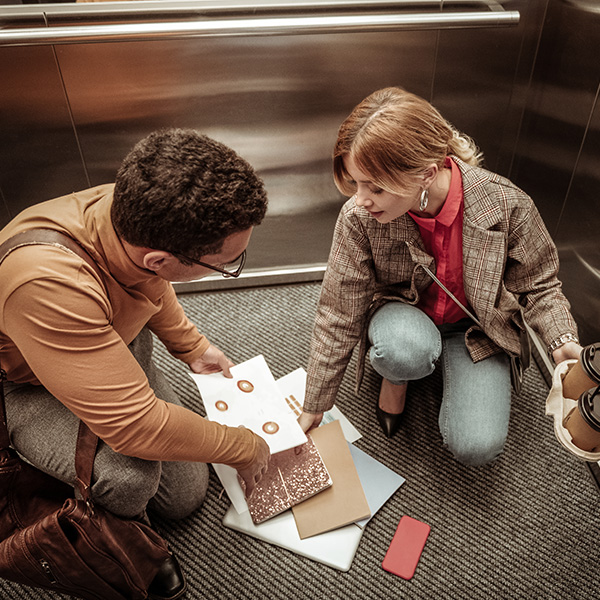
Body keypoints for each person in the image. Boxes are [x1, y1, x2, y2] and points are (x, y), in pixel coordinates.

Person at [0, 128, 271, 599]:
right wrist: (243, 447)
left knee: (185, 497)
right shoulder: (45, 284)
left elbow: (152, 285)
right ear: (161, 257)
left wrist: (191, 346)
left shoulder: (128, 210)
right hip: (23, 387)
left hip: (101, 343)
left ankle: (118, 388)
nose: (230, 266)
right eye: (227, 263)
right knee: (129, 480)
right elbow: (135, 429)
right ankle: (125, 543)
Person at [298, 87, 582, 467]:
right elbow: (338, 311)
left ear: (427, 174)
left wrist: (562, 342)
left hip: (477, 328)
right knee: (401, 350)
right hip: (403, 316)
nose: (360, 199)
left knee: (477, 447)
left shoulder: (506, 203)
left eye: (376, 187)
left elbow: (540, 283)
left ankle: (429, 366)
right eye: (356, 183)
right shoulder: (359, 218)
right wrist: (316, 403)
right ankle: (397, 378)